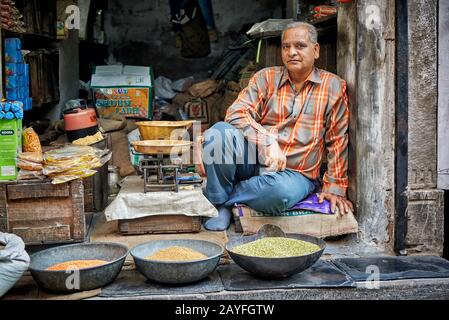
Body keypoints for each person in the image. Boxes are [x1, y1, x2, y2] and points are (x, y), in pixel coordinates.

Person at [200, 22, 354, 231]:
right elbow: (235, 113)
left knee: (279, 194)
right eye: (285, 46)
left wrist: (335, 188)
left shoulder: (333, 86)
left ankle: (223, 199)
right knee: (218, 133)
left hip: (296, 174)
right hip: (256, 160)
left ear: (315, 50)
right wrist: (267, 141)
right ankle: (218, 203)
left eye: (300, 46)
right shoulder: (266, 77)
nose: (291, 52)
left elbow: (338, 140)